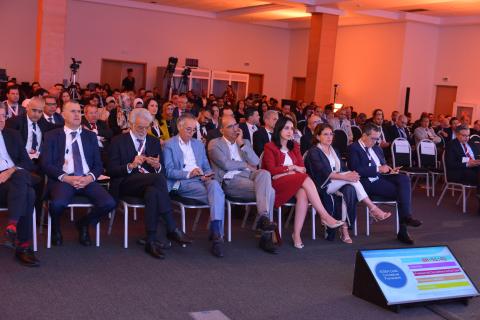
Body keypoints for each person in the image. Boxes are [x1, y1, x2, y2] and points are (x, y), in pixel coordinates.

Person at [107, 108, 191, 259]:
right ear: (131, 124)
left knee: (153, 192)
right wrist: (130, 166)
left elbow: (162, 171)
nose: (144, 130)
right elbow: (111, 170)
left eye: (147, 127)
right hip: (126, 183)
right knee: (158, 180)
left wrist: (157, 166)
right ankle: (171, 226)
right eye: (140, 127)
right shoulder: (118, 141)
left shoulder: (152, 141)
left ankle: (151, 240)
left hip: (148, 183)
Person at [40, 101, 116, 247]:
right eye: (72, 111)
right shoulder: (52, 135)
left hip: (86, 179)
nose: (77, 114)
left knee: (109, 203)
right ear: (63, 115)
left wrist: (89, 178)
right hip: (63, 179)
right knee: (57, 204)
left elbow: (98, 165)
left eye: (78, 111)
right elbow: (46, 164)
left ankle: (83, 224)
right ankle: (55, 228)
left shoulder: (90, 136)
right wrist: (66, 177)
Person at [262, 117, 343, 249]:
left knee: (304, 193)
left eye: (292, 129)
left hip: (295, 181)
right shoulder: (270, 146)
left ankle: (297, 234)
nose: (290, 131)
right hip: (276, 185)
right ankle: (325, 216)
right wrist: (292, 168)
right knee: (305, 178)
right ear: (279, 129)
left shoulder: (294, 146)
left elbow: (303, 168)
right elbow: (272, 170)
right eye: (286, 128)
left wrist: (288, 172)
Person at [304, 124, 391, 244]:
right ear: (318, 137)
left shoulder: (334, 150)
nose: (329, 137)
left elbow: (343, 168)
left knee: (350, 188)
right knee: (352, 179)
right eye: (325, 134)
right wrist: (347, 176)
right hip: (323, 184)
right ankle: (373, 208)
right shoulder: (314, 152)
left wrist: (350, 174)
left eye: (331, 134)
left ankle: (345, 229)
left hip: (337, 182)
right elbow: (324, 173)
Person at [208, 115, 278, 254]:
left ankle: (263, 219)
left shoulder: (244, 141)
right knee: (270, 192)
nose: (235, 129)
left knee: (264, 173)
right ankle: (266, 236)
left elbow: (256, 161)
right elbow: (226, 164)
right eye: (230, 126)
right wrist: (245, 164)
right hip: (231, 180)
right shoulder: (215, 143)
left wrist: (241, 143)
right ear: (222, 130)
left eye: (235, 125)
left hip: (250, 176)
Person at [347, 123, 423, 244]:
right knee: (402, 194)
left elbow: (383, 165)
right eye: (373, 138)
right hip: (367, 182)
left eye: (377, 138)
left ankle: (406, 219)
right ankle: (404, 226)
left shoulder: (376, 148)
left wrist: (391, 169)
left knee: (404, 178)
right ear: (364, 135)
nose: (375, 141)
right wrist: (377, 169)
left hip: (382, 177)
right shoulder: (354, 148)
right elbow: (356, 169)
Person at [163, 114, 226, 258]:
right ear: (179, 127)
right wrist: (189, 173)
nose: (191, 133)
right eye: (188, 130)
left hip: (201, 180)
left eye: (193, 130)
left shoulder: (198, 144)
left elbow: (206, 166)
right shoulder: (169, 145)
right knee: (218, 196)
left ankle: (216, 233)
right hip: (183, 182)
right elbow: (168, 171)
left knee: (215, 186)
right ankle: (217, 236)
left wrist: (207, 174)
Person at [0, 104, 38, 266]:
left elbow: (27, 163)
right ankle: (23, 246)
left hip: (14, 179)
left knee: (22, 178)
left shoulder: (13, 134)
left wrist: (11, 170)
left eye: (3, 116)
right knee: (28, 193)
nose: (1, 120)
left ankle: (13, 224)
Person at [444, 124, 480, 212]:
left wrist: (477, 161)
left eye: (468, 135)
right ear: (457, 134)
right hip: (458, 172)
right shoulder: (451, 145)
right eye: (463, 136)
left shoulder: (472, 144)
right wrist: (467, 164)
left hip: (474, 170)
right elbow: (450, 164)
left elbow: (477, 156)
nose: (466, 138)